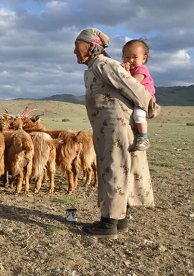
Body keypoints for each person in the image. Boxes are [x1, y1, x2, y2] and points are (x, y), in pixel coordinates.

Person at [73, 28, 160, 239]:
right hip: (107, 130)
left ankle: (108, 223)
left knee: (114, 170)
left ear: (92, 46)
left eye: (78, 45)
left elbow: (133, 87)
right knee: (116, 169)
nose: (74, 50)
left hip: (116, 129)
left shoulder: (104, 64)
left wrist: (151, 108)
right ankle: (119, 220)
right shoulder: (96, 67)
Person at [122, 39, 156, 151]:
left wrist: (125, 72)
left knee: (138, 114)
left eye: (135, 57)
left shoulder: (141, 70)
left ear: (144, 58)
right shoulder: (127, 69)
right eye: (127, 57)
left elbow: (132, 84)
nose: (130, 60)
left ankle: (143, 137)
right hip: (134, 98)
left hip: (144, 99)